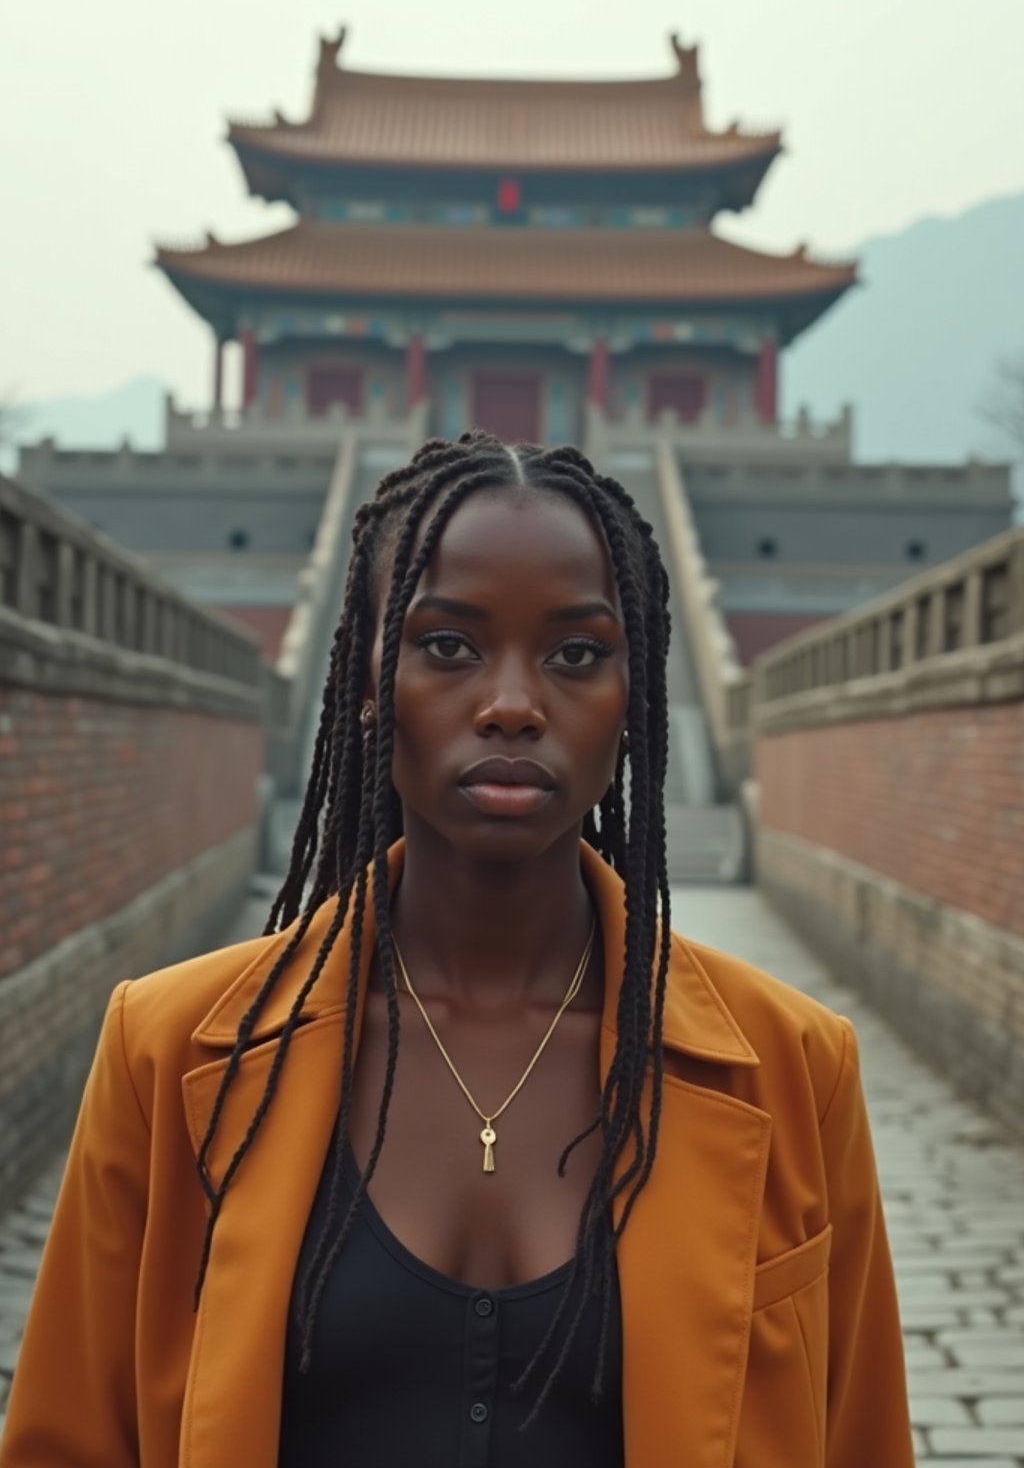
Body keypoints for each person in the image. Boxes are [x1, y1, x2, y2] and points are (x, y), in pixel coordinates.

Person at [0, 434, 914, 1467]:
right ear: (361, 683)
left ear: (636, 702)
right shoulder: (164, 1052)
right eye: (445, 645)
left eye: (577, 653)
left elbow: (861, 1440)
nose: (513, 705)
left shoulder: (793, 1067)